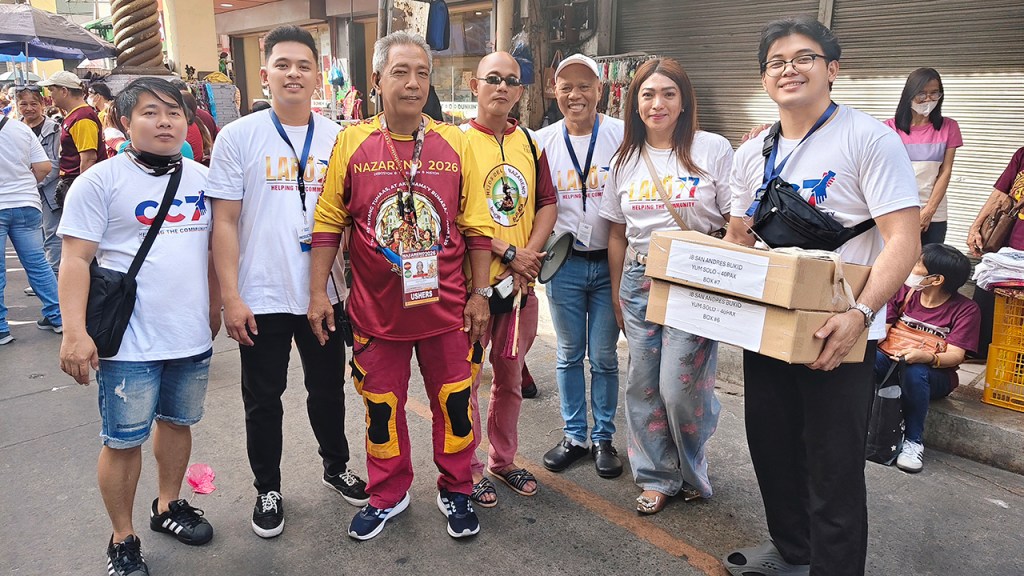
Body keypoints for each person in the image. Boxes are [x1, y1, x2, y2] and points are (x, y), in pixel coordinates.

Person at [721, 17, 920, 576]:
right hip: (770, 326)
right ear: (764, 78)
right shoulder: (752, 152)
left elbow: (904, 240)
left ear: (832, 69)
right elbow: (739, 237)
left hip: (843, 331)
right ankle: (793, 550)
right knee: (771, 445)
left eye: (803, 58)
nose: (789, 69)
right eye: (776, 62)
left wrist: (860, 314)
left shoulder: (868, 139)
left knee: (833, 465)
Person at [308, 30, 493, 541]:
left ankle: (457, 489)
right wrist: (319, 293)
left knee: (456, 403)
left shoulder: (455, 142)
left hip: (447, 313)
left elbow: (477, 227)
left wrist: (480, 295)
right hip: (376, 315)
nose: (413, 83)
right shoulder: (352, 142)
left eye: (422, 73)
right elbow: (328, 221)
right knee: (381, 409)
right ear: (377, 79)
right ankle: (388, 493)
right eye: (400, 72)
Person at [207, 25, 368, 540]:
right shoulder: (238, 137)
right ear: (264, 74)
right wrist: (231, 297)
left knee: (328, 390)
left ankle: (336, 467)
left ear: (319, 76)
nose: (293, 74)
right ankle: (268, 489)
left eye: (303, 66)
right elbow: (224, 222)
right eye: (282, 65)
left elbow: (354, 220)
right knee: (263, 398)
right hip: (261, 294)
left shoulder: (341, 138)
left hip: (326, 292)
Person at [56, 77, 217, 576]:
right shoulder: (99, 182)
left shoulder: (203, 179)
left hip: (190, 335)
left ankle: (167, 505)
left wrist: (215, 308)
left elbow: (216, 250)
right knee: (122, 441)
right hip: (128, 342)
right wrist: (74, 332)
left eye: (174, 112)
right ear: (125, 122)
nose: (164, 121)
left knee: (178, 424)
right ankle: (122, 538)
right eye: (150, 112)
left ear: (187, 121)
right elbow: (75, 259)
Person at [601, 57, 731, 514]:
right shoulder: (624, 159)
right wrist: (617, 293)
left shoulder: (712, 148)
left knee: (680, 389)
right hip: (639, 279)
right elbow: (617, 234)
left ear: (684, 101)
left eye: (668, 94)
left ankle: (691, 468)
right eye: (648, 95)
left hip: (695, 281)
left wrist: (722, 279)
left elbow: (737, 223)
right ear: (634, 104)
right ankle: (656, 475)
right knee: (642, 384)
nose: (657, 104)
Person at [460, 51, 557, 508]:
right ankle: (467, 468)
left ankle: (503, 460)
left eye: (511, 81)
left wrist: (528, 257)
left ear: (520, 91)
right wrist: (509, 253)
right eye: (493, 78)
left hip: (520, 289)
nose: (502, 87)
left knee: (510, 380)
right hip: (472, 289)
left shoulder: (531, 144)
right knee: (465, 382)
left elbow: (547, 203)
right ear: (474, 84)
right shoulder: (456, 143)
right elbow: (455, 217)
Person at [535, 54, 626, 479]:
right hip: (564, 265)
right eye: (566, 86)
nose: (576, 95)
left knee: (604, 357)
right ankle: (575, 436)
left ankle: (604, 438)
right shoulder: (540, 142)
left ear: (600, 90)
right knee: (569, 355)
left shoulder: (623, 135)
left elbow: (672, 140)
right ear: (554, 91)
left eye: (585, 85)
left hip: (610, 264)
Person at [874, 244, 980, 473]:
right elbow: (883, 332)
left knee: (915, 371)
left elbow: (955, 355)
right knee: (868, 361)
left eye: (918, 264)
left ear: (936, 279)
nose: (911, 268)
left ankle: (913, 442)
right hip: (892, 361)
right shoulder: (904, 292)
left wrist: (926, 357)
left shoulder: (966, 309)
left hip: (933, 375)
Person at [0, 98, 63, 345]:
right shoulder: (20, 129)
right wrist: (26, 184)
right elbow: (44, 166)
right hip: (27, 203)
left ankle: (1, 328)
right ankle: (58, 317)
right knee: (38, 263)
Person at [884, 68, 962, 245]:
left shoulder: (949, 127)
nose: (928, 99)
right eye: (921, 94)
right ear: (909, 94)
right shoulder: (888, 128)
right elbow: (886, 174)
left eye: (934, 93)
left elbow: (945, 172)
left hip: (934, 212)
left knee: (928, 260)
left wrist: (929, 211)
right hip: (897, 210)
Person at [966, 145, 1024, 359]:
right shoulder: (1022, 154)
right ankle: (979, 351)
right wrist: (976, 227)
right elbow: (1000, 194)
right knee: (986, 291)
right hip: (1009, 252)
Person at [37, 71, 104, 207]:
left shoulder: (82, 117)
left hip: (80, 182)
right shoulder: (76, 115)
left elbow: (88, 158)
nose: (50, 95)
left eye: (52, 90)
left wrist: (82, 191)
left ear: (64, 91)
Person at [16, 85, 62, 277]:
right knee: (33, 238)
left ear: (42, 104)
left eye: (33, 103)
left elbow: (56, 161)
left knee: (52, 234)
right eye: (23, 104)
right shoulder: (13, 129)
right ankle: (42, 279)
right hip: (23, 192)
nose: (29, 108)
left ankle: (53, 277)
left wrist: (35, 181)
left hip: (48, 190)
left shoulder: (54, 128)